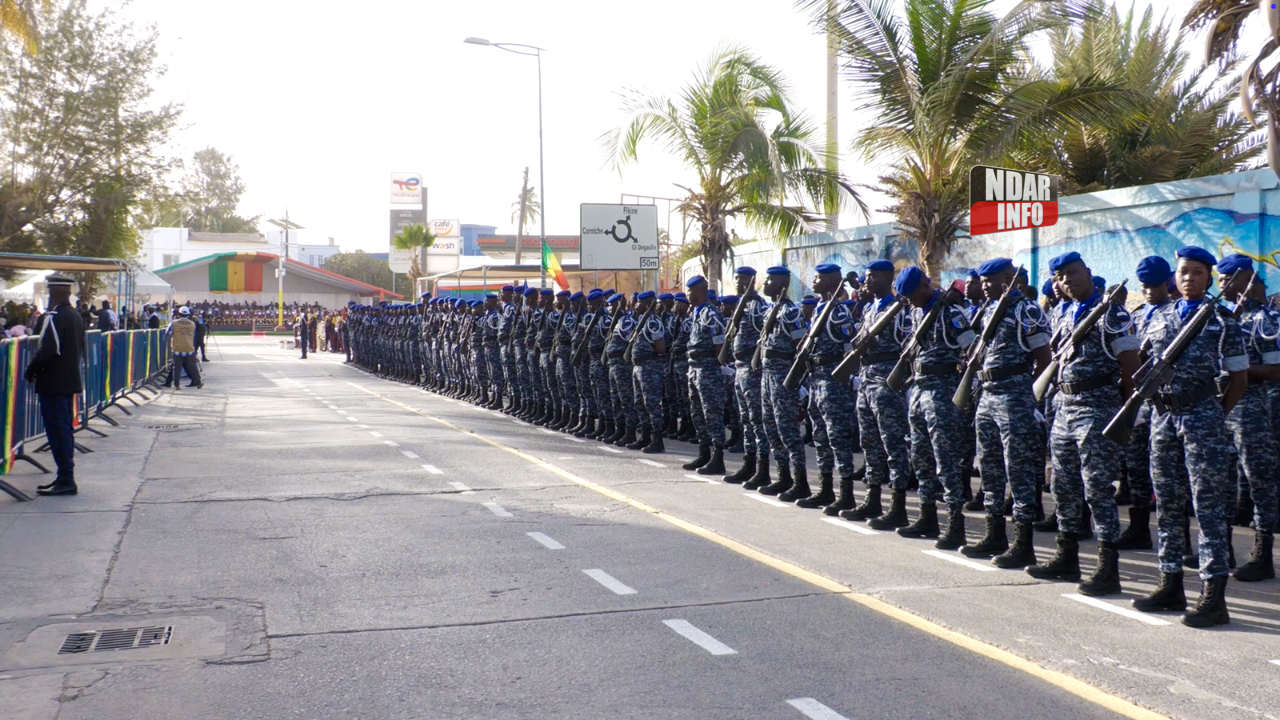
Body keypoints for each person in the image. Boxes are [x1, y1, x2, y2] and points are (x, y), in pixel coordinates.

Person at [23, 275, 85, 497]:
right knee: (63, 431)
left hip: (54, 383)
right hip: (67, 382)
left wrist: (32, 370)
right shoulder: (75, 315)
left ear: (56, 293)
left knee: (58, 432)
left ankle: (67, 479)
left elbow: (50, 350)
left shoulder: (57, 316)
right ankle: (63, 476)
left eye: (50, 293)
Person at [165, 307, 203, 389]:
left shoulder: (174, 323)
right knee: (193, 366)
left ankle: (177, 385)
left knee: (177, 367)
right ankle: (198, 382)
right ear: (188, 314)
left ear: (179, 314)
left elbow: (167, 333)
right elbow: (193, 335)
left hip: (178, 347)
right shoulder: (192, 324)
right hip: (189, 347)